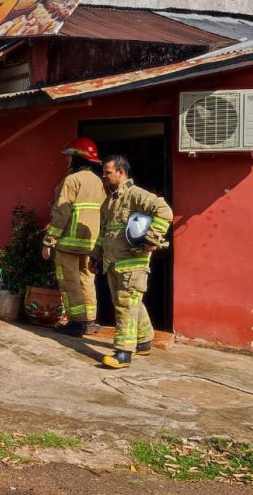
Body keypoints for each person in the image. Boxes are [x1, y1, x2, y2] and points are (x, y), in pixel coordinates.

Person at [91, 155, 173, 369]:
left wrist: (152, 238)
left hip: (133, 264)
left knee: (125, 305)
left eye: (108, 172)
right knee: (129, 302)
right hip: (113, 263)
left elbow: (164, 212)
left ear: (121, 172)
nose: (104, 176)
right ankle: (144, 340)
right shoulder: (109, 203)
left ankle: (123, 352)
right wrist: (95, 256)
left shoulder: (136, 195)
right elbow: (105, 233)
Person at [42, 137, 107, 337]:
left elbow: (62, 213)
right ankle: (89, 321)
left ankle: (76, 322)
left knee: (69, 281)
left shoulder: (72, 180)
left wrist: (48, 241)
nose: (68, 161)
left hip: (68, 244)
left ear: (77, 159)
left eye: (70, 157)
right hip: (90, 244)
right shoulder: (99, 182)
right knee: (87, 279)